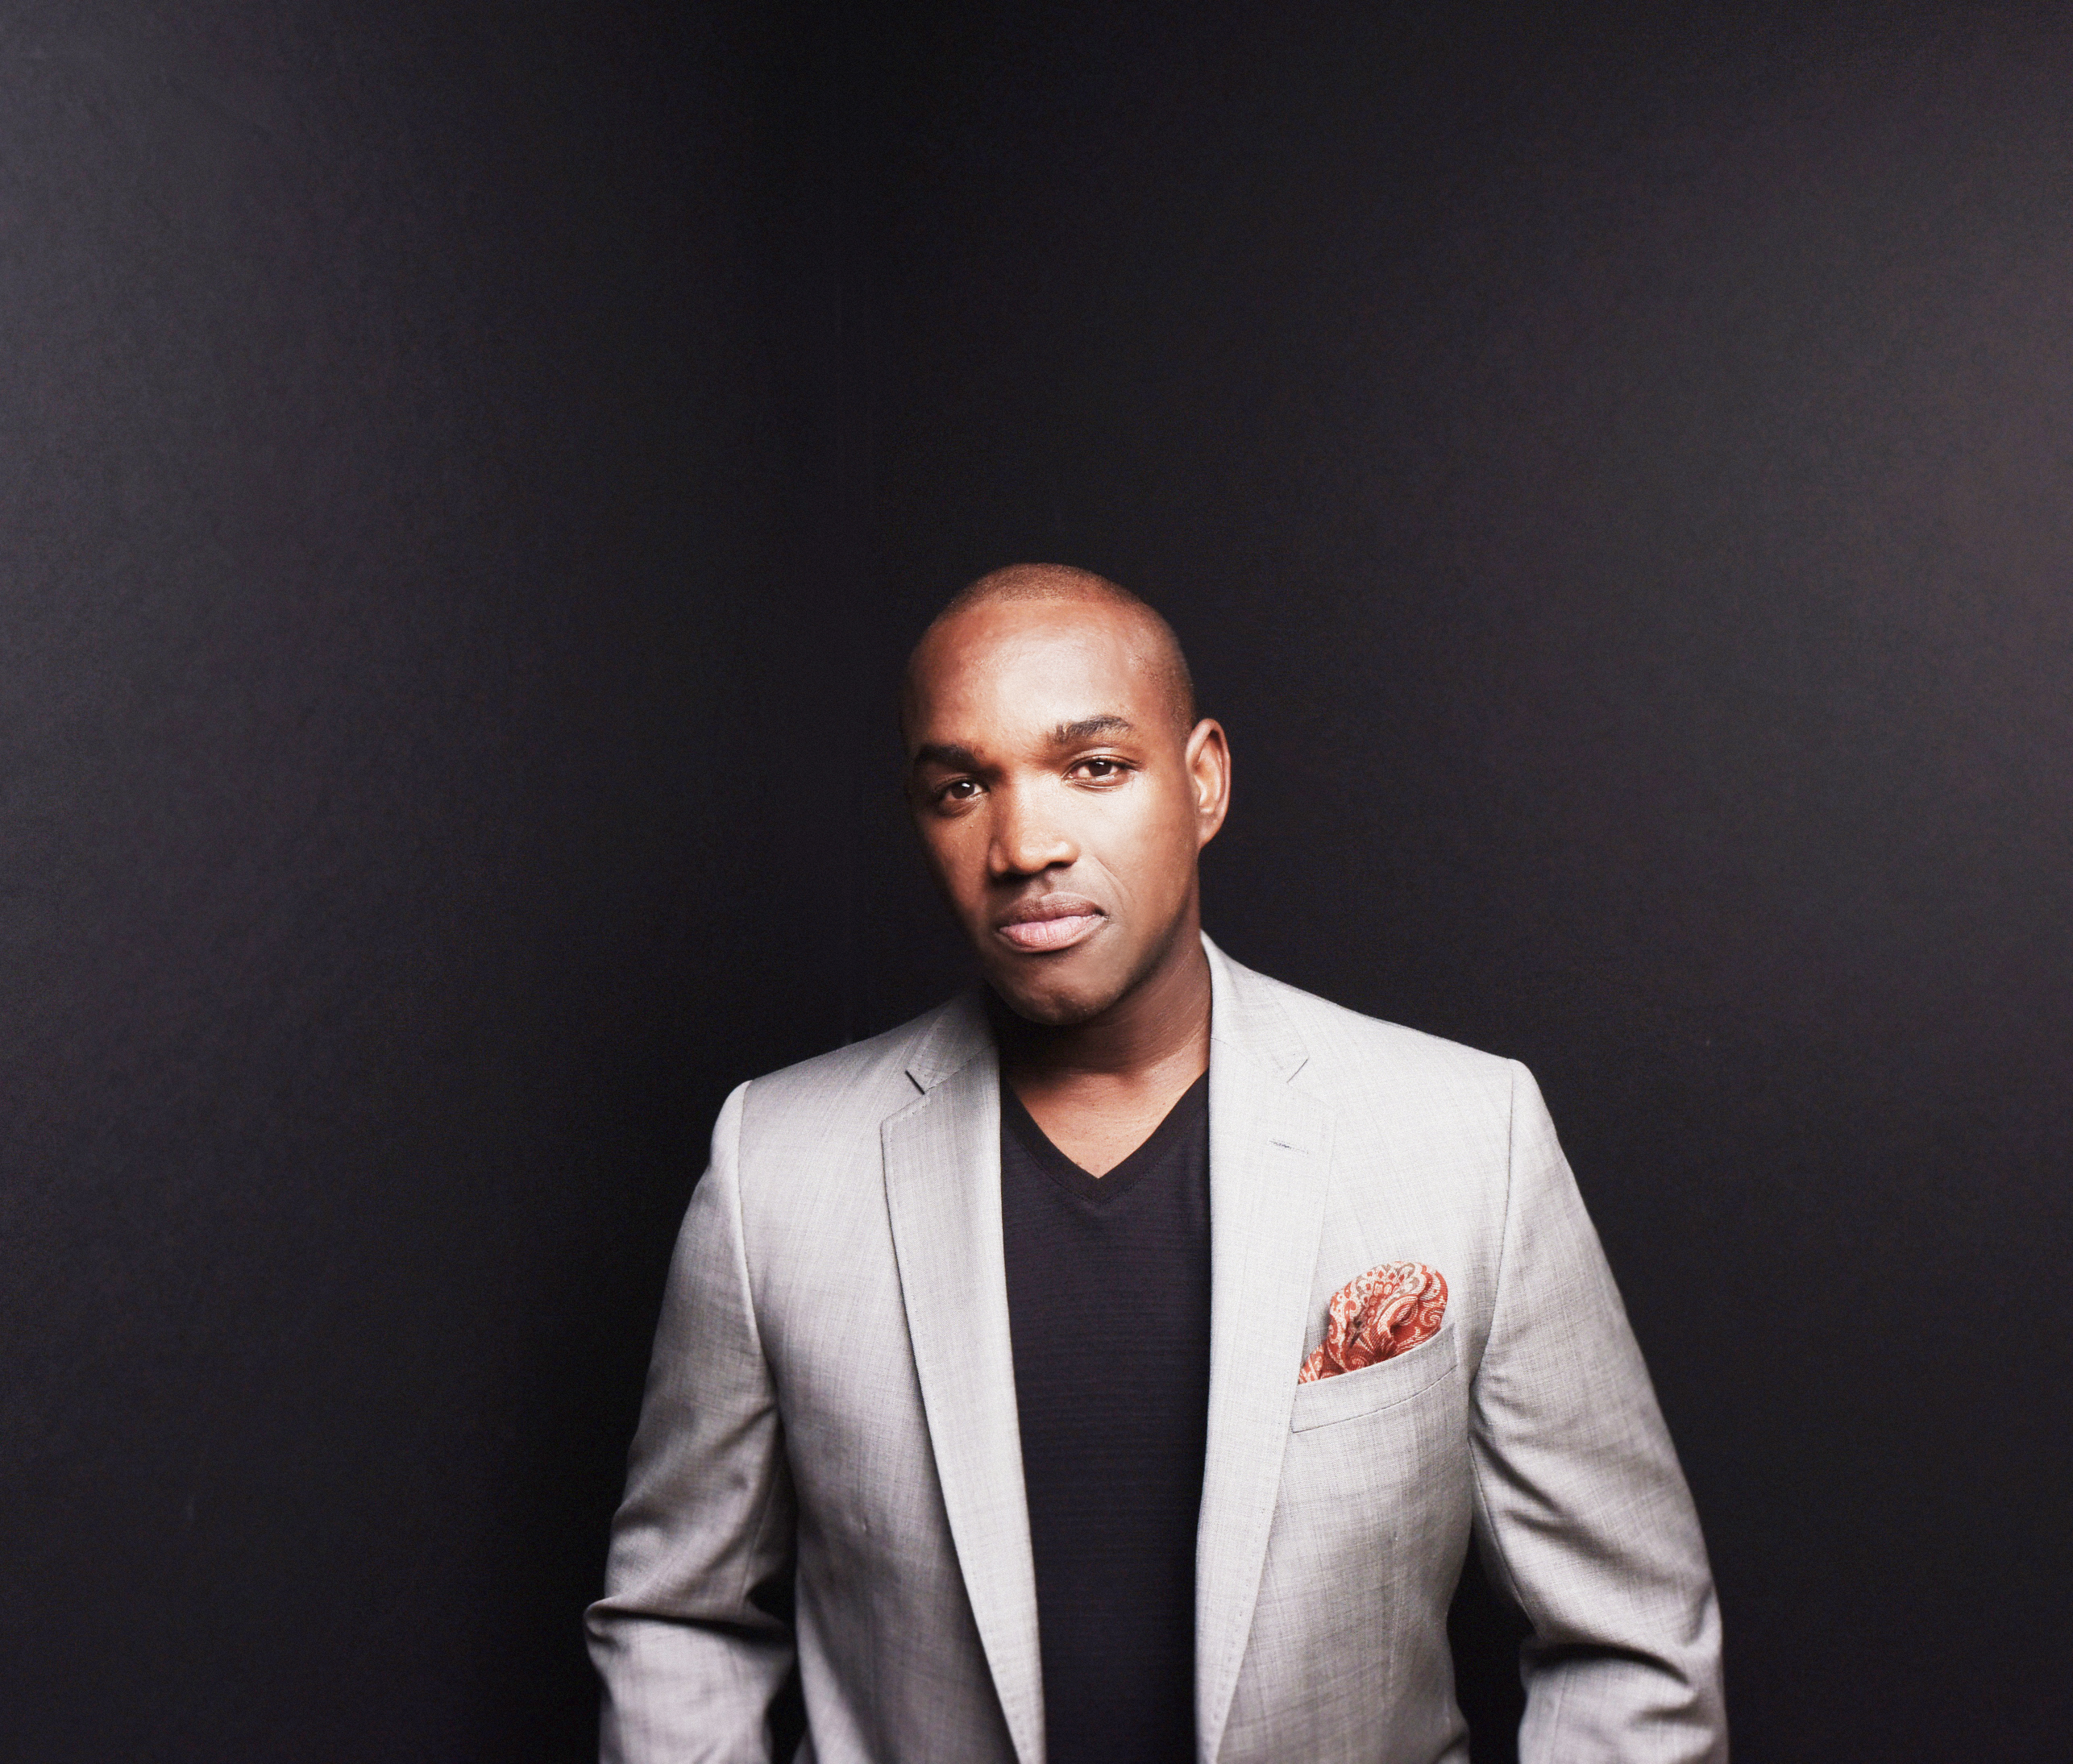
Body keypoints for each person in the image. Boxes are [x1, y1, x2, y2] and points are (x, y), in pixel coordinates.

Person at [587, 564, 1726, 1764]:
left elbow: (1632, 1638)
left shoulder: (1463, 1134)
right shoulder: (776, 1165)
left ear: (1203, 780)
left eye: (1094, 767)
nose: (1023, 843)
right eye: (962, 786)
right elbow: (679, 1619)